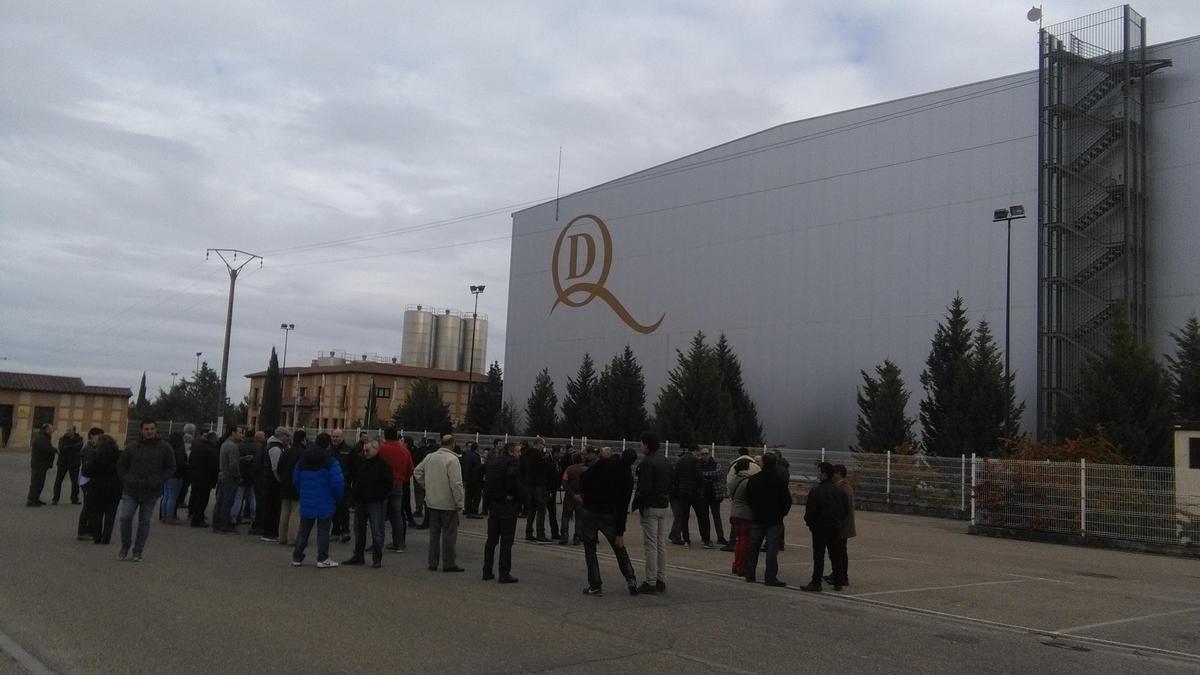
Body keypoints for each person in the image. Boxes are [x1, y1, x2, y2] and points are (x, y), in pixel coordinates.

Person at [578, 447, 640, 596]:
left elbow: (584, 478)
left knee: (590, 549)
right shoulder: (628, 478)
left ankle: (595, 584)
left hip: (590, 509)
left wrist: (586, 495)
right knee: (619, 547)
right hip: (609, 515)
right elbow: (623, 506)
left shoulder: (605, 464)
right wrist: (620, 532)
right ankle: (630, 578)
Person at [116, 420, 175, 562]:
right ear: (141, 430)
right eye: (146, 429)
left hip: (151, 491)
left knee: (144, 521)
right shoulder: (132, 447)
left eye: (152, 428)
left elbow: (171, 467)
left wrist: (160, 479)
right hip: (131, 489)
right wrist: (127, 478)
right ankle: (125, 546)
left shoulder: (164, 448)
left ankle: (138, 551)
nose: (149, 431)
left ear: (156, 430)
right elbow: (121, 466)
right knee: (125, 518)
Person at [291, 432, 345, 568]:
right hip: (325, 500)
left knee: (304, 530)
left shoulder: (303, 459)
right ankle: (322, 557)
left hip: (307, 498)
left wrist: (302, 492)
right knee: (323, 531)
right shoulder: (330, 461)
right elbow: (338, 483)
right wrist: (338, 498)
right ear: (328, 444)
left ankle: (297, 556)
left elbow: (296, 479)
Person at [413, 434, 465, 572]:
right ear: (452, 444)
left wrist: (427, 486)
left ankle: (432, 562)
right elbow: (456, 483)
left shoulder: (430, 457)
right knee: (449, 535)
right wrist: (460, 502)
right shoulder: (452, 459)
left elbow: (417, 471)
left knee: (434, 534)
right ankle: (449, 563)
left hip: (432, 501)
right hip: (448, 503)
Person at [742, 453, 792, 587]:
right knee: (771, 548)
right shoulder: (779, 481)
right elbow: (787, 501)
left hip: (758, 517)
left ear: (762, 463)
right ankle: (770, 577)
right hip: (774, 519)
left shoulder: (754, 479)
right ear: (775, 463)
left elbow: (748, 497)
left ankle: (750, 573)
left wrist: (755, 509)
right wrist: (781, 514)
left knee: (753, 546)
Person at [343, 438, 393, 568]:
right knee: (359, 531)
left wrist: (379, 495)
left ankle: (377, 558)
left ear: (376, 449)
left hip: (375, 502)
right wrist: (354, 495)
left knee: (376, 531)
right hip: (360, 501)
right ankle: (358, 555)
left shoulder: (384, 465)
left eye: (367, 450)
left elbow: (388, 483)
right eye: (364, 450)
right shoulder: (360, 461)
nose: (365, 452)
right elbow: (353, 476)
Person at [801, 462, 850, 592]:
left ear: (823, 474)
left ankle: (816, 582)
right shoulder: (840, 491)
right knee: (835, 555)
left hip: (819, 528)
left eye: (819, 472)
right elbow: (846, 510)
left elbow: (810, 512)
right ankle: (838, 582)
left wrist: (810, 523)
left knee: (819, 556)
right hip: (835, 527)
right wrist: (838, 521)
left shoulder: (816, 491)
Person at [633, 432, 671, 594]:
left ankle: (650, 581)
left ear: (647, 445)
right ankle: (661, 579)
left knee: (650, 546)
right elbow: (671, 482)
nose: (640, 446)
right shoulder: (665, 461)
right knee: (660, 544)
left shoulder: (647, 463)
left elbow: (644, 487)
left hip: (650, 506)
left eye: (641, 444)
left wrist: (637, 502)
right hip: (663, 505)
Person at [482, 442, 523, 583]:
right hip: (507, 505)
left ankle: (487, 571)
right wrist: (518, 494)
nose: (520, 454)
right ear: (512, 452)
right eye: (518, 452)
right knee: (506, 541)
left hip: (494, 503)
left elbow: (485, 475)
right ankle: (504, 573)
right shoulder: (512, 463)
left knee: (491, 540)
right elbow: (512, 478)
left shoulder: (494, 461)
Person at [377, 427, 414, 553]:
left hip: (382, 485)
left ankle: (378, 544)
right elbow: (410, 469)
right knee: (396, 515)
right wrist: (402, 480)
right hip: (398, 484)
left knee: (380, 515)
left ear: (385, 435)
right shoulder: (404, 451)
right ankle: (399, 544)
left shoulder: (381, 449)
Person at [83, 433, 122, 545]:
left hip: (97, 489)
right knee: (111, 514)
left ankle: (97, 537)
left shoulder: (96, 456)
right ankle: (106, 537)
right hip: (115, 489)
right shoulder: (119, 456)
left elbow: (87, 472)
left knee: (97, 514)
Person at [824, 464, 856, 589]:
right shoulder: (844, 487)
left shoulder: (843, 489)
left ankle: (842, 576)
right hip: (843, 524)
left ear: (838, 473)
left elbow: (842, 509)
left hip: (841, 525)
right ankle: (837, 574)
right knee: (840, 551)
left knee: (839, 552)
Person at [254, 428, 288, 542]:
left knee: (270, 507)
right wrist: (280, 480)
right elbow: (276, 468)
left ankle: (269, 531)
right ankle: (269, 532)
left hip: (268, 481)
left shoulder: (273, 446)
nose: (288, 438)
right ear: (281, 436)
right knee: (272, 508)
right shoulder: (275, 448)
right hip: (272, 483)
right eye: (287, 436)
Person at [276, 429, 307, 545]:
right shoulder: (303, 453)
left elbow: (279, 469)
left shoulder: (285, 451)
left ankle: (282, 537)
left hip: (285, 485)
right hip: (297, 486)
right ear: (303, 440)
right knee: (295, 513)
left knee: (284, 511)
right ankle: (292, 538)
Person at [329, 429, 359, 541]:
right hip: (332, 485)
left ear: (342, 437)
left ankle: (345, 531)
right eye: (333, 437)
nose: (335, 439)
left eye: (337, 437)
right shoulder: (329, 451)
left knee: (344, 508)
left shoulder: (349, 450)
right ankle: (335, 530)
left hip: (344, 484)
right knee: (334, 508)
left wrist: (350, 479)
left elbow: (355, 467)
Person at [213, 428, 244, 533]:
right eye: (240, 433)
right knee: (228, 502)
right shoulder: (233, 446)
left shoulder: (224, 444)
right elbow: (233, 465)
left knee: (220, 501)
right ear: (233, 433)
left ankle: (216, 523)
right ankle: (225, 525)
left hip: (222, 476)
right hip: (230, 478)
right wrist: (238, 476)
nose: (242, 435)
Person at [727, 457, 754, 577]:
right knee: (745, 541)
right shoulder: (747, 481)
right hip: (745, 514)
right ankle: (741, 566)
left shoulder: (734, 480)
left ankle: (736, 564)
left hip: (734, 512)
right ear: (747, 467)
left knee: (739, 541)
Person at [519, 438, 550, 542]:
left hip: (529, 484)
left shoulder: (525, 455)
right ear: (538, 444)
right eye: (543, 445)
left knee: (531, 510)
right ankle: (540, 533)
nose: (544, 447)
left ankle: (529, 532)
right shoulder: (539, 455)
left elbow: (522, 469)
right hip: (539, 485)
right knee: (541, 510)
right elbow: (543, 469)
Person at [187, 432, 218, 528]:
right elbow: (214, 466)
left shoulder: (197, 448)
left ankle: (193, 515)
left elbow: (191, 461)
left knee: (196, 497)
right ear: (212, 439)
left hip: (195, 477)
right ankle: (198, 519)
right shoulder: (212, 450)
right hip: (206, 479)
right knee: (202, 500)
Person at [700, 447, 728, 547]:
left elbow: (719, 473)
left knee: (717, 516)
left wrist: (704, 475)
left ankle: (720, 537)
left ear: (710, 454)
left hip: (715, 494)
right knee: (704, 517)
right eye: (702, 454)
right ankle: (706, 538)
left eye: (706, 454)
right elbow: (698, 475)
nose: (704, 456)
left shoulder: (716, 464)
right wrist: (710, 477)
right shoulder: (698, 464)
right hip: (703, 494)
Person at [160, 428, 188, 524]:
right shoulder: (179, 450)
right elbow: (180, 463)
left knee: (166, 496)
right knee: (172, 497)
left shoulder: (167, 448)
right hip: (176, 475)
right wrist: (187, 465)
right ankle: (170, 517)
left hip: (166, 475)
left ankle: (164, 516)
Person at [559, 452, 586, 545]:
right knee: (579, 518)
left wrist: (572, 494)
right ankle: (577, 537)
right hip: (581, 497)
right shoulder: (586, 470)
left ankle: (564, 536)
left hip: (569, 497)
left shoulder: (568, 469)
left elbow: (564, 482)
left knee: (565, 517)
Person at [53, 425, 84, 505]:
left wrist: (68, 447)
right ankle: (55, 499)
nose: (68, 432)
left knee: (75, 482)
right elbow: (61, 448)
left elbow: (78, 447)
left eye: (70, 430)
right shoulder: (62, 439)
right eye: (67, 430)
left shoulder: (79, 439)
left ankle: (74, 499)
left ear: (74, 431)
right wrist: (71, 448)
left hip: (74, 463)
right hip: (63, 463)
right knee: (58, 481)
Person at [26, 423, 56, 506]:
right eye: (51, 429)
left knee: (40, 482)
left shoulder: (44, 437)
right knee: (36, 482)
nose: (52, 431)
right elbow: (45, 449)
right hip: (38, 464)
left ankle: (36, 498)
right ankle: (31, 500)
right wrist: (54, 450)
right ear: (46, 430)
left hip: (42, 464)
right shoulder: (41, 438)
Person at [544, 445, 562, 540]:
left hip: (553, 488)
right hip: (548, 489)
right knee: (545, 512)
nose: (561, 455)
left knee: (552, 512)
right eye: (560, 453)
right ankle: (543, 532)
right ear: (555, 453)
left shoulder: (556, 461)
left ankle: (555, 532)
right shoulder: (548, 461)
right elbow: (547, 475)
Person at [462, 442, 484, 518]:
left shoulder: (466, 455)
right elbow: (477, 468)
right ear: (477, 448)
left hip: (468, 478)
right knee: (476, 496)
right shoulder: (476, 456)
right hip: (475, 479)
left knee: (468, 495)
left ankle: (467, 509)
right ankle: (474, 511)